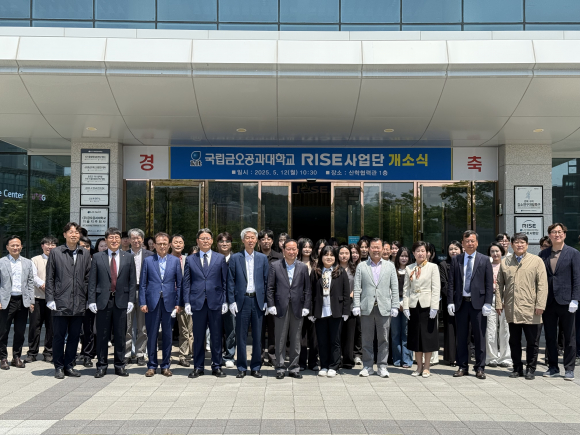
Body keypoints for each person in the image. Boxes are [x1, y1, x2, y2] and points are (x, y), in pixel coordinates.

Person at [496, 233, 548, 380]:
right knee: (514, 341)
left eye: (522, 242)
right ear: (512, 245)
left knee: (532, 342)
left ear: (527, 245)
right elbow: (499, 284)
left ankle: (531, 368)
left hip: (531, 308)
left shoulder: (536, 261)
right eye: (517, 242)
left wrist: (540, 304)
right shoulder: (505, 262)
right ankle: (517, 368)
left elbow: (542, 285)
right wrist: (499, 303)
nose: (519, 245)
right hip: (512, 308)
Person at [88, 227, 137, 378]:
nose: (114, 240)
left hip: (121, 301)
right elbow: (92, 281)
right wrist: (91, 300)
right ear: (106, 240)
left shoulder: (128, 257)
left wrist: (131, 300)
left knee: (121, 335)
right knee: (102, 335)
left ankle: (119, 365)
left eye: (117, 238)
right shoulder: (98, 257)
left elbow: (132, 281)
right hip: (103, 301)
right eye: (111, 238)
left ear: (120, 240)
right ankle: (101, 365)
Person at [45, 222, 92, 379]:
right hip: (60, 301)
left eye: (76, 232)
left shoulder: (84, 253)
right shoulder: (56, 253)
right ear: (64, 234)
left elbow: (88, 279)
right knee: (58, 336)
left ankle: (69, 365)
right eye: (71, 232)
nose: (74, 234)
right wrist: (50, 298)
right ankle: (58, 366)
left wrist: (88, 298)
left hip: (79, 302)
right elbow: (50, 277)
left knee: (74, 336)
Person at [448, 230, 494, 379]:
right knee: (461, 337)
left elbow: (489, 284)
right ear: (462, 243)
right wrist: (450, 302)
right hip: (461, 303)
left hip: (479, 304)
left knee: (480, 336)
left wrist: (488, 303)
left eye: (472, 241)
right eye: (467, 241)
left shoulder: (484, 259)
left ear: (477, 243)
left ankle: (480, 367)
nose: (470, 243)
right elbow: (451, 283)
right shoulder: (456, 260)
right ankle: (462, 366)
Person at [183, 228, 229, 378]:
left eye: (208, 238)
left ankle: (217, 366)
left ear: (212, 241)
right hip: (197, 302)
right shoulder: (190, 259)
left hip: (216, 302)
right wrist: (187, 301)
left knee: (216, 336)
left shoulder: (220, 258)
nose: (205, 241)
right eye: (202, 238)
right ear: (197, 241)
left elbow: (224, 281)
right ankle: (198, 367)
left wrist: (225, 300)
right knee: (198, 336)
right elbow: (186, 283)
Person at [539, 223, 580, 380]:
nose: (557, 234)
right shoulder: (543, 254)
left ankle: (569, 368)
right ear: (549, 235)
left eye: (560, 232)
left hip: (567, 301)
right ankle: (553, 367)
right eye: (554, 232)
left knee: (569, 337)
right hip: (548, 301)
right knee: (550, 336)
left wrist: (575, 299)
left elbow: (577, 277)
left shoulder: (573, 253)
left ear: (564, 234)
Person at [353, 238, 399, 378]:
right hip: (366, 307)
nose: (376, 250)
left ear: (383, 249)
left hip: (384, 306)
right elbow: (357, 287)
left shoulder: (390, 266)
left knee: (383, 339)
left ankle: (382, 366)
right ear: (369, 249)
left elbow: (395, 287)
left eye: (378, 247)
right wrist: (356, 304)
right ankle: (367, 366)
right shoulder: (361, 266)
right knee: (366, 339)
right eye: (373, 247)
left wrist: (395, 305)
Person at [267, 238, 312, 379]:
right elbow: (270, 288)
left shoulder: (302, 267)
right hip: (280, 306)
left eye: (294, 249)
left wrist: (306, 306)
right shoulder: (275, 266)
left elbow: (307, 289)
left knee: (296, 338)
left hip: (298, 306)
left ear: (297, 251)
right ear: (283, 250)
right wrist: (271, 304)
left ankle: (294, 367)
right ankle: (280, 367)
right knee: (280, 338)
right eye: (288, 249)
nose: (291, 252)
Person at [227, 228, 269, 378]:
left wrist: (267, 301)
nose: (250, 240)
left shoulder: (262, 258)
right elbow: (230, 281)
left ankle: (256, 367)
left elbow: (267, 281)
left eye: (253, 237)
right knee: (241, 336)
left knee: (258, 336)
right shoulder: (235, 258)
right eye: (247, 237)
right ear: (243, 240)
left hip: (257, 301)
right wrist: (231, 301)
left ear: (256, 240)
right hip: (242, 301)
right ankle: (242, 367)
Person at [139, 232, 182, 377]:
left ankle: (165, 365)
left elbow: (179, 284)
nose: (162, 246)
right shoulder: (148, 261)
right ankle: (152, 365)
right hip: (152, 302)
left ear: (169, 245)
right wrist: (143, 302)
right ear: (155, 245)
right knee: (152, 334)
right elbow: (143, 284)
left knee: (168, 335)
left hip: (169, 302)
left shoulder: (175, 261)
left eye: (164, 244)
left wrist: (178, 303)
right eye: (159, 244)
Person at [311, 246, 350, 377]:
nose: (329, 257)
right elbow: (310, 292)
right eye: (326, 255)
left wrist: (346, 311)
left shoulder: (340, 271)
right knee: (322, 340)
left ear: (335, 257)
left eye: (331, 255)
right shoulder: (316, 272)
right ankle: (324, 365)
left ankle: (334, 366)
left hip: (336, 310)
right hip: (320, 310)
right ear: (321, 257)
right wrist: (311, 312)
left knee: (335, 340)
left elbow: (346, 292)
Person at [403, 241, 440, 378]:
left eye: (423, 251)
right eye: (418, 251)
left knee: (427, 337)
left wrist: (434, 306)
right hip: (414, 306)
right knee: (416, 337)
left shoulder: (433, 267)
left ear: (427, 253)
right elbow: (406, 289)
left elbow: (436, 288)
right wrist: (405, 306)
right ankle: (418, 366)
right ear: (413, 253)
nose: (420, 253)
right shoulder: (409, 268)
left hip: (427, 305)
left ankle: (427, 367)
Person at [0, 236, 35, 370]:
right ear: (7, 247)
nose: (15, 247)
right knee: (3, 331)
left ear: (21, 246)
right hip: (6, 301)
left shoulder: (27, 263)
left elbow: (30, 282)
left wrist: (31, 301)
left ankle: (16, 357)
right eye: (12, 245)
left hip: (22, 301)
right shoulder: (1, 262)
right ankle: (3, 358)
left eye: (18, 245)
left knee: (20, 331)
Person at [25, 236, 58, 364]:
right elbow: (32, 277)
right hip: (38, 298)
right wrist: (44, 285)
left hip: (54, 299)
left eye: (53, 244)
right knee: (34, 326)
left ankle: (48, 352)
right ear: (42, 246)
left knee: (51, 327)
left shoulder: (59, 259)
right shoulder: (35, 260)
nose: (50, 246)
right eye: (47, 244)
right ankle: (32, 353)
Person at [126, 228, 153, 366]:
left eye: (138, 238)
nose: (136, 240)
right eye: (133, 238)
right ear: (129, 240)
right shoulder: (123, 254)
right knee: (127, 325)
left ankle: (140, 353)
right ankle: (126, 353)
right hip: (127, 293)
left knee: (142, 326)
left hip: (144, 292)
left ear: (142, 240)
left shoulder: (150, 255)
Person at [258, 229, 282, 366]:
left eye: (268, 239)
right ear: (259, 242)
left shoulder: (279, 257)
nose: (265, 241)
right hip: (258, 298)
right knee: (259, 329)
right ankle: (259, 355)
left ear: (272, 241)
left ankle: (272, 355)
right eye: (263, 239)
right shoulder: (255, 256)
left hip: (274, 298)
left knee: (273, 329)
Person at [486, 242, 512, 368]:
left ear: (502, 252)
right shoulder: (486, 265)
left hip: (504, 299)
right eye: (492, 251)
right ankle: (491, 357)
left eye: (497, 251)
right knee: (490, 329)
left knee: (505, 329)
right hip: (490, 298)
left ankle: (505, 358)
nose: (495, 253)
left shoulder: (507, 265)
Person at [167, 233, 192, 368]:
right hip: (168, 298)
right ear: (170, 244)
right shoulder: (165, 259)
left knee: (185, 330)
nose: (178, 244)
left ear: (184, 245)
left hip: (184, 299)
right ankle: (167, 356)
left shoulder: (188, 260)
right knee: (167, 329)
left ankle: (183, 356)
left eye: (180, 242)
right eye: (175, 242)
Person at [439, 241, 462, 366]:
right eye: (451, 249)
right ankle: (451, 358)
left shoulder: (464, 263)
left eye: (456, 248)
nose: (453, 251)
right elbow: (443, 284)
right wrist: (451, 299)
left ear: (461, 250)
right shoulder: (443, 264)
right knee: (450, 329)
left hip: (464, 301)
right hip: (449, 302)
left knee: (463, 330)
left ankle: (463, 357)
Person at [298, 238, 319, 371]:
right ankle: (301, 362)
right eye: (304, 246)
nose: (307, 249)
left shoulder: (316, 263)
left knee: (314, 335)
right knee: (301, 334)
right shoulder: (295, 263)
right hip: (299, 302)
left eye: (310, 247)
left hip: (314, 302)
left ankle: (313, 362)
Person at [216, 232, 236, 369]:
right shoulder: (213, 258)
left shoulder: (236, 258)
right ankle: (217, 356)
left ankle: (229, 356)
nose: (224, 244)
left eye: (227, 241)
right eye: (221, 241)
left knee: (231, 329)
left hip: (231, 299)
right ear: (217, 244)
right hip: (215, 299)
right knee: (215, 329)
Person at [392, 247, 413, 368]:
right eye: (401, 256)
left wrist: (405, 303)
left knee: (406, 333)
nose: (404, 258)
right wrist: (396, 303)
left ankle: (407, 360)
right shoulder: (392, 270)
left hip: (408, 304)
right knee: (395, 333)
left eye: (406, 256)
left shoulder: (412, 270)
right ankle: (397, 359)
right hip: (394, 304)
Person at [338, 245, 357, 369]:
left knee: (349, 334)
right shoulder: (334, 268)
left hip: (351, 304)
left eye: (346, 253)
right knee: (337, 334)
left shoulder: (355, 269)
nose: (344, 255)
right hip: (337, 304)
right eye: (341, 253)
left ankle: (348, 360)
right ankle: (337, 359)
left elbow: (359, 284)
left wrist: (353, 293)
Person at [349, 243, 363, 366]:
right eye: (352, 252)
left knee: (359, 329)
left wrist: (355, 292)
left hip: (360, 301)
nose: (354, 255)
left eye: (356, 252)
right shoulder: (345, 267)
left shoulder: (363, 266)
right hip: (347, 301)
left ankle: (357, 354)